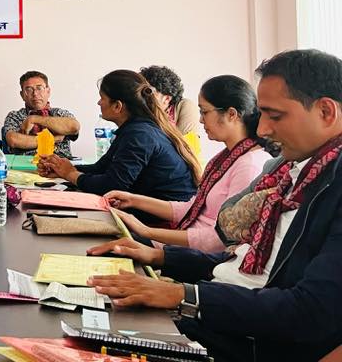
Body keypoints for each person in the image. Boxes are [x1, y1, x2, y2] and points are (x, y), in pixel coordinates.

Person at [86, 49, 342, 362]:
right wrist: (159, 256)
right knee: (86, 315)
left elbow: (309, 311)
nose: (262, 129)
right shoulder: (292, 173)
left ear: (326, 112)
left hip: (244, 338)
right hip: (219, 309)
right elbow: (239, 262)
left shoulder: (325, 182)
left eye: (275, 116)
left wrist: (184, 295)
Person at [104, 75, 272, 252]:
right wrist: (132, 200)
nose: (200, 120)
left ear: (231, 114)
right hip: (183, 244)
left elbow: (221, 240)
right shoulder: (225, 157)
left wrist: (146, 231)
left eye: (204, 112)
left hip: (196, 255)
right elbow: (191, 208)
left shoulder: (250, 165)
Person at [38, 70, 200, 214]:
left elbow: (111, 186)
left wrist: (70, 174)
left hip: (167, 220)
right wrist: (63, 168)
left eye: (102, 98)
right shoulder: (134, 129)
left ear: (117, 106)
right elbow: (102, 168)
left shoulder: (140, 134)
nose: (99, 103)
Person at [2, 71, 80, 158]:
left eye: (39, 88)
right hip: (26, 162)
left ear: (48, 91)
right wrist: (54, 139)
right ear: (22, 95)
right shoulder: (15, 116)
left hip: (60, 162)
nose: (35, 94)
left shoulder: (59, 114)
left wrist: (34, 119)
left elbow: (74, 127)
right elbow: (13, 140)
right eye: (29, 89)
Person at [140, 65, 199, 136]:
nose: (141, 96)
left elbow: (185, 142)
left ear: (166, 99)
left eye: (148, 91)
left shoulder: (184, 106)